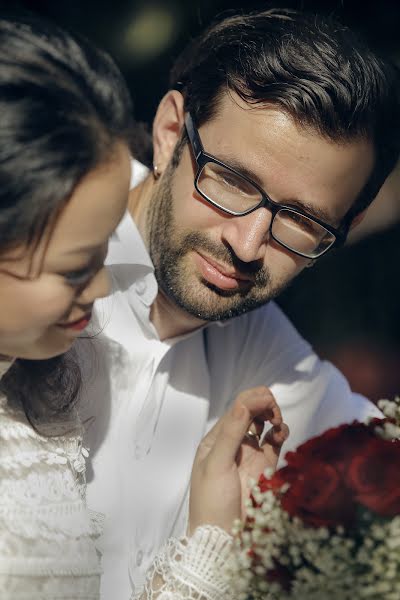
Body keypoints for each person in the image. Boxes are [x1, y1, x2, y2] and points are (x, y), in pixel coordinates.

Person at [76, 7, 400, 599]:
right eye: (232, 181)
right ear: (171, 131)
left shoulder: (276, 367)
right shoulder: (28, 243)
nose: (247, 245)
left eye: (301, 221)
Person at [0, 13, 283, 600]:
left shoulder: (40, 393)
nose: (105, 288)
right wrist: (209, 554)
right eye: (75, 267)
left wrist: (210, 531)